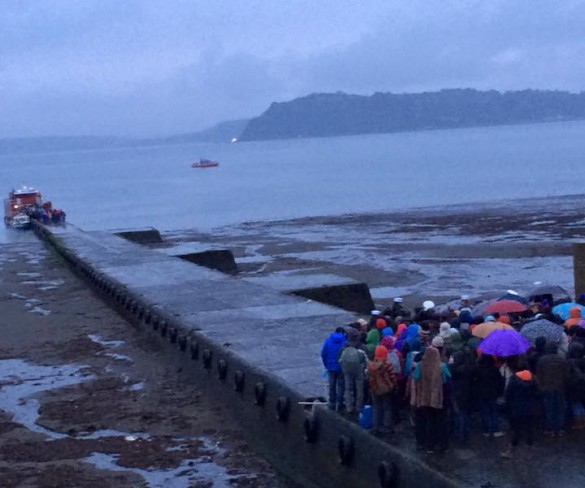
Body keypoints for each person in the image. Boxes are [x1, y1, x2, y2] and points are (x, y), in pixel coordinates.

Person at [412, 345, 451, 453]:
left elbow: (415, 378)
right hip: (438, 398)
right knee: (440, 421)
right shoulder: (441, 367)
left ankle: (429, 445)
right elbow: (447, 380)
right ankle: (442, 444)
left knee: (429, 421)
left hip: (425, 398)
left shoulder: (420, 365)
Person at [500, 364, 539, 459]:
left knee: (516, 431)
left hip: (517, 409)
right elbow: (537, 394)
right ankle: (529, 451)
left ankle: (511, 451)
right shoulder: (534, 379)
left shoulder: (514, 379)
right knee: (529, 430)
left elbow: (508, 394)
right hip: (531, 409)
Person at [536, 342, 570, 436]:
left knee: (549, 408)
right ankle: (560, 429)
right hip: (560, 387)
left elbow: (539, 375)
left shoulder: (541, 360)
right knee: (560, 408)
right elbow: (566, 374)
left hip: (546, 388)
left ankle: (550, 429)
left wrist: (540, 387)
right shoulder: (562, 359)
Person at [473, 355, 505, 437]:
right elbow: (500, 382)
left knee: (484, 411)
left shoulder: (477, 369)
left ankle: (487, 429)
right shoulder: (494, 370)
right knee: (493, 411)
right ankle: (495, 429)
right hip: (492, 394)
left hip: (481, 393)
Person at [367, 345, 397, 437]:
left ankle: (376, 427)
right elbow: (392, 377)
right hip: (386, 389)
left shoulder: (371, 365)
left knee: (376, 408)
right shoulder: (387, 364)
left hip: (375, 389)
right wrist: (394, 386)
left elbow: (369, 377)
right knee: (387, 408)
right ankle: (386, 427)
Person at [338, 327, 368, 415]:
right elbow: (366, 360)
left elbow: (339, 359)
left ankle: (349, 407)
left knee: (348, 388)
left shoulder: (344, 346)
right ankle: (359, 407)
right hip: (359, 370)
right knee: (360, 389)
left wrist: (343, 368)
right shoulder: (362, 347)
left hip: (347, 370)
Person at [320, 327, 347, 412]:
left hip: (331, 367)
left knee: (332, 385)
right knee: (341, 385)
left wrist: (326, 365)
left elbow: (323, 354)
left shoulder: (328, 341)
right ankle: (340, 403)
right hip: (341, 367)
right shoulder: (345, 342)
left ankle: (332, 402)